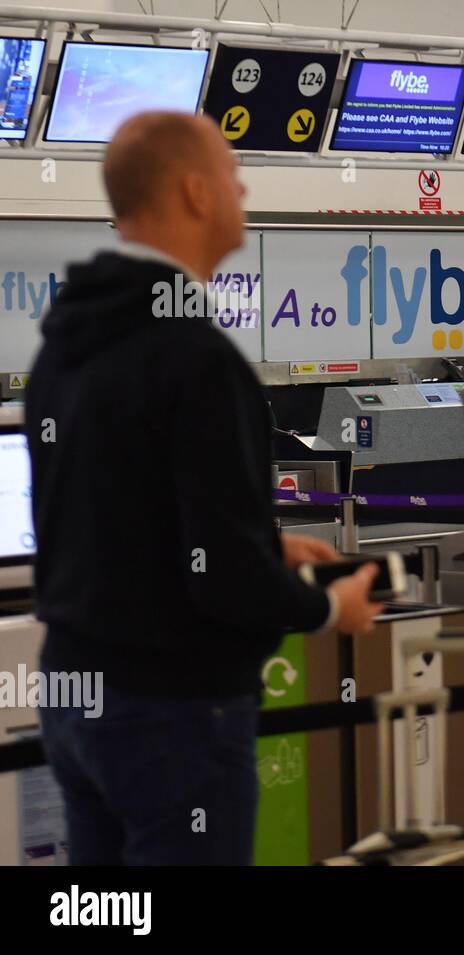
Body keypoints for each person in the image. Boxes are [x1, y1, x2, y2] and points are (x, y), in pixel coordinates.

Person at [25, 112, 383, 865]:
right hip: (171, 710)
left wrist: (262, 540)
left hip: (72, 693)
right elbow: (221, 581)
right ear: (194, 191)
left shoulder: (66, 346)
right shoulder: (195, 357)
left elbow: (106, 518)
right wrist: (329, 606)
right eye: (229, 170)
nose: (241, 185)